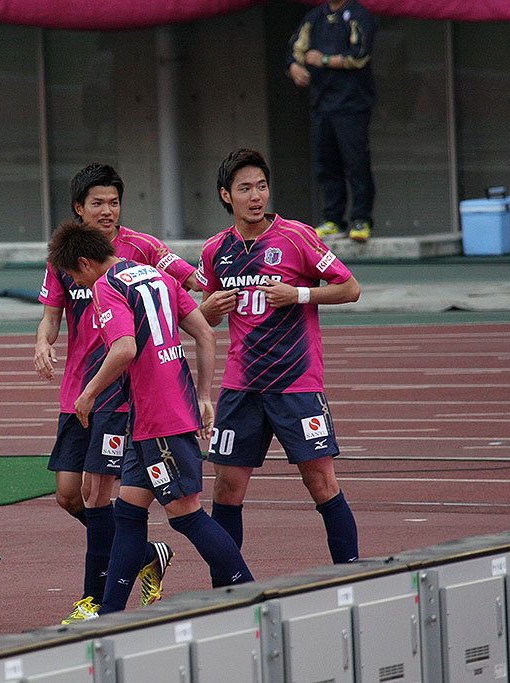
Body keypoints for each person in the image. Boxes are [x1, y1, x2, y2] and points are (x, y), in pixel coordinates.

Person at [48, 221, 253, 617]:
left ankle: (248, 590)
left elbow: (124, 348)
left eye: (75, 276)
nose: (79, 284)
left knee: (186, 513)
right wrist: (203, 395)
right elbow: (206, 333)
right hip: (156, 412)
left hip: (157, 417)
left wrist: (88, 393)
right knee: (128, 511)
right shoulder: (155, 275)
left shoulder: (107, 286)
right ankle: (110, 612)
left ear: (85, 263)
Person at [35, 163, 197, 624]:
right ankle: (144, 554)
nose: (107, 211)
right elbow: (50, 314)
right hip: (77, 390)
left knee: (96, 494)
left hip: (118, 392)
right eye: (97, 203)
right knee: (69, 494)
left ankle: (94, 599)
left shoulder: (143, 248)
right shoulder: (66, 255)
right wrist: (43, 342)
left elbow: (193, 281)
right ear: (78, 207)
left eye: (114, 202)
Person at [199, 149, 361, 575]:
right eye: (245, 188)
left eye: (262, 186)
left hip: (296, 385)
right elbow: (206, 317)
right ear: (226, 195)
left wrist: (299, 294)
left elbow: (350, 288)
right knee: (226, 489)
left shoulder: (296, 236)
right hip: (241, 386)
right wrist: (208, 310)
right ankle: (228, 588)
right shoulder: (215, 250)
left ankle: (353, 576)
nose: (256, 196)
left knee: (321, 483)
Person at [287, 0, 377, 243]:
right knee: (326, 164)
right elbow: (296, 49)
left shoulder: (359, 15)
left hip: (352, 104)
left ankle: (361, 219)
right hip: (321, 104)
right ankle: (333, 219)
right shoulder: (314, 17)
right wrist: (294, 67)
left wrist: (325, 60)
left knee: (356, 162)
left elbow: (360, 55)